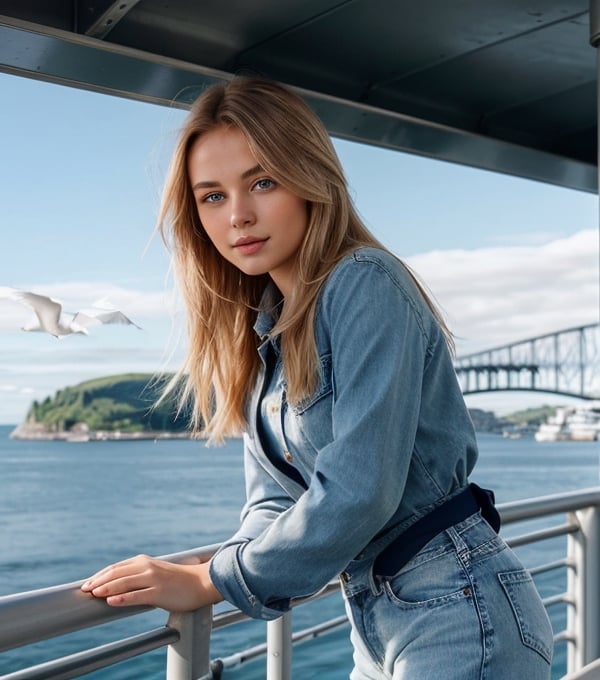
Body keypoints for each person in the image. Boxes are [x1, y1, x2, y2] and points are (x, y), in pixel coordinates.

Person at [81, 77, 553, 678]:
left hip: (461, 612)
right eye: (212, 197)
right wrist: (231, 562)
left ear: (310, 179)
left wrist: (210, 580)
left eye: (262, 181)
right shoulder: (265, 332)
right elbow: (275, 496)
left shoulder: (365, 280)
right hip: (380, 618)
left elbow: (360, 490)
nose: (239, 216)